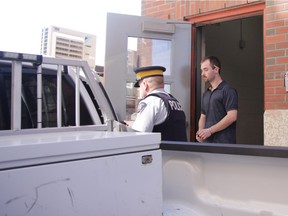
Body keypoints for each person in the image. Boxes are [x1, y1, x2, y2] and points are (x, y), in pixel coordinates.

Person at [131, 65, 187, 141]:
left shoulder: (151, 102)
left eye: (139, 85)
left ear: (145, 85)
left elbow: (138, 136)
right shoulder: (174, 101)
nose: (139, 89)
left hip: (161, 152)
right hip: (177, 152)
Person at [196, 56, 238, 144]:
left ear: (216, 69)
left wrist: (210, 131)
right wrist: (201, 132)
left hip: (224, 144)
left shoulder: (228, 90)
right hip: (207, 144)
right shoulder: (206, 94)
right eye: (202, 70)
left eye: (206, 70)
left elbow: (232, 116)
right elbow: (203, 116)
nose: (202, 73)